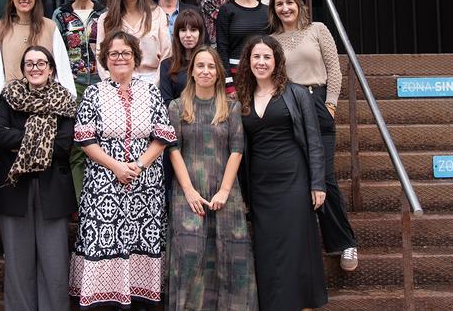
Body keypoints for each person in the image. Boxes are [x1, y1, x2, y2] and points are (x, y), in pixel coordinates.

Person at [69, 31, 177, 310]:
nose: (120, 58)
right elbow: (84, 139)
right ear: (105, 58)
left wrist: (139, 165)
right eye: (114, 53)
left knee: (141, 243)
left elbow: (163, 135)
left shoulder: (150, 91)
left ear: (135, 58)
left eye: (126, 53)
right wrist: (116, 166)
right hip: (104, 184)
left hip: (145, 184)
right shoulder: (94, 92)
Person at [269, 0, 360, 272]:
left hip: (318, 101)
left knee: (325, 176)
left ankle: (345, 243)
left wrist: (331, 104)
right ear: (274, 9)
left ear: (299, 4)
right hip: (290, 105)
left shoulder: (318, 29)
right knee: (298, 174)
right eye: (279, 4)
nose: (285, 8)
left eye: (289, 2)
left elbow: (334, 69)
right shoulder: (271, 40)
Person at [235, 36, 327, 311]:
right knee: (267, 250)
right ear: (248, 62)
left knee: (296, 245)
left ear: (276, 62)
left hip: (294, 179)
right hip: (261, 185)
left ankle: (303, 304)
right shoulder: (242, 97)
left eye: (267, 57)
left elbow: (314, 140)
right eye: (256, 57)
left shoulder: (297, 93)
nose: (261, 62)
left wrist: (317, 183)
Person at [166, 46, 257, 311]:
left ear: (218, 74)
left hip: (225, 192)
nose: (205, 71)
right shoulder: (177, 107)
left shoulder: (231, 107)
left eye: (210, 67)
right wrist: (189, 191)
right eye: (200, 66)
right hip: (188, 193)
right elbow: (173, 150)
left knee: (231, 258)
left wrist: (225, 191)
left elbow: (237, 149)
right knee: (189, 257)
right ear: (192, 72)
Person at [0, 45, 77, 311]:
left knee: (54, 263)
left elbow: (64, 144)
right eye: (29, 63)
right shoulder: (10, 96)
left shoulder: (65, 100)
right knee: (17, 264)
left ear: (51, 68)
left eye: (41, 63)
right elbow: (0, 135)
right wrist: (39, 141)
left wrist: (22, 143)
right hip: (14, 189)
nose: (35, 68)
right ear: (23, 69)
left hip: (52, 189)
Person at [0, 0, 75, 118]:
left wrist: (61, 106)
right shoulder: (0, 29)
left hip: (48, 109)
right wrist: (0, 112)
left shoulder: (50, 27)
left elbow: (62, 71)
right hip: (12, 109)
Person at [53, 0, 107, 200]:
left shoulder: (104, 14)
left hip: (101, 82)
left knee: (102, 142)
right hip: (72, 83)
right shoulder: (61, 15)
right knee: (77, 144)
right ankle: (79, 200)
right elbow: (56, 52)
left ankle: (100, 196)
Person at [95, 0, 171, 86]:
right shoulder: (106, 19)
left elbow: (167, 54)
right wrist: (112, 85)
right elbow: (100, 55)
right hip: (116, 83)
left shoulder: (157, 14)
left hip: (152, 82)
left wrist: (153, 86)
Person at [215, 0, 269, 78]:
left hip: (263, 76)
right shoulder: (226, 11)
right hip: (236, 76)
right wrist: (228, 83)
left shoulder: (268, 11)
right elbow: (222, 50)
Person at [158, 7, 206, 105]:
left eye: (193, 30)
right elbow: (167, 101)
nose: (188, 35)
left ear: (200, 33)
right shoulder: (167, 65)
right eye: (183, 30)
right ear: (177, 34)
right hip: (177, 117)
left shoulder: (209, 62)